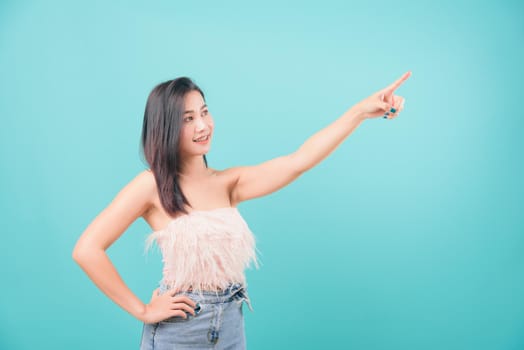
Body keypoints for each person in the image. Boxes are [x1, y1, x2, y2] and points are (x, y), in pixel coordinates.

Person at [72, 71, 411, 349]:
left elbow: (298, 161)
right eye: (188, 119)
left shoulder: (229, 182)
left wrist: (360, 112)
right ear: (166, 128)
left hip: (232, 325)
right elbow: (87, 250)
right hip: (180, 332)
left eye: (204, 112)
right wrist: (143, 310)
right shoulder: (151, 185)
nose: (203, 126)